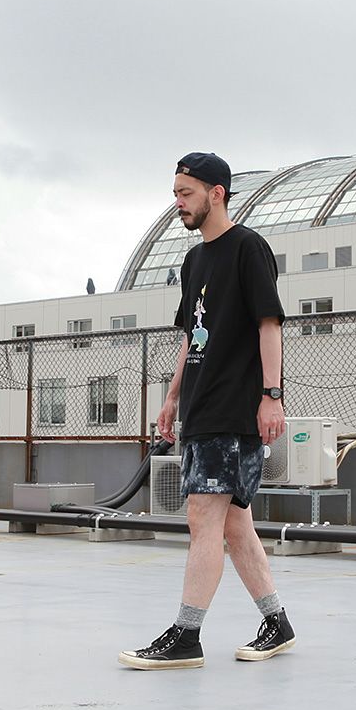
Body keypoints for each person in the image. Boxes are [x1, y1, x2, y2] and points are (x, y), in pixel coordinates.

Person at [118, 152, 295, 670]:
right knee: (235, 525)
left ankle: (187, 635)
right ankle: (277, 622)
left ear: (216, 193)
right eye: (175, 193)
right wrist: (173, 396)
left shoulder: (247, 247)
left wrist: (271, 395)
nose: (177, 202)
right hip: (200, 406)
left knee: (203, 517)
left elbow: (269, 324)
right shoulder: (194, 261)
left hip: (234, 407)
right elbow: (192, 336)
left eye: (185, 193)